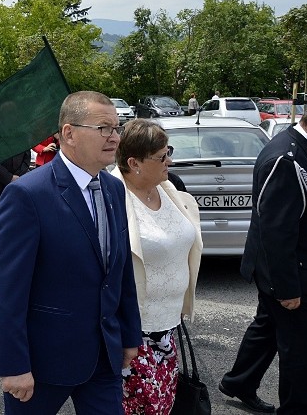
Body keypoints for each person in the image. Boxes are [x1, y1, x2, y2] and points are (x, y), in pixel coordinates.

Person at [0, 91, 142, 413]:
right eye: (104, 128)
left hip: (104, 355)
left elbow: (120, 268)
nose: (114, 137)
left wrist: (129, 335)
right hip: (43, 361)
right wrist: (12, 364)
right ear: (69, 133)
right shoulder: (27, 195)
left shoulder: (114, 189)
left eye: (117, 128)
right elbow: (6, 290)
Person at [220, 93, 307, 415]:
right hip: (294, 275)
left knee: (269, 328)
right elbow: (276, 233)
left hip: (298, 269)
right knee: (301, 351)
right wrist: (288, 289)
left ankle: (239, 382)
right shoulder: (286, 159)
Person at [112, 119, 203, 414]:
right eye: (162, 156)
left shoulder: (170, 188)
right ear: (134, 162)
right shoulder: (112, 194)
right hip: (133, 332)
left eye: (169, 152)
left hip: (168, 328)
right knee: (141, 407)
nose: (170, 161)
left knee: (163, 405)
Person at [0, 151, 30, 253]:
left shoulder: (21, 134)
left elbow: (26, 154)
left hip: (18, 185)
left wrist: (18, 177)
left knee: (16, 227)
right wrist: (9, 178)